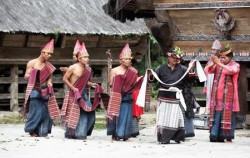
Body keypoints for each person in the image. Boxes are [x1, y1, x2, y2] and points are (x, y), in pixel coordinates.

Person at [148, 46, 196, 144]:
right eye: (173, 57)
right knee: (163, 119)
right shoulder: (160, 68)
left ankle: (177, 138)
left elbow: (190, 81)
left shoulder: (183, 69)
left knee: (177, 118)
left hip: (177, 97)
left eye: (177, 58)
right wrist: (151, 74)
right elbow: (152, 80)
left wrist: (190, 70)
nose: (175, 59)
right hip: (164, 97)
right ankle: (163, 138)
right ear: (168, 57)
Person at [60, 43, 102, 140]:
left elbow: (85, 81)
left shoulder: (88, 69)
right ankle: (78, 134)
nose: (87, 59)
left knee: (90, 111)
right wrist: (73, 88)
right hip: (74, 94)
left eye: (87, 57)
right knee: (79, 113)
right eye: (84, 57)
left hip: (83, 94)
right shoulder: (72, 68)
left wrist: (91, 84)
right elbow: (64, 79)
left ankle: (83, 132)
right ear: (79, 59)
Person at [20, 39, 60, 137]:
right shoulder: (32, 63)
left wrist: (50, 83)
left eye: (51, 54)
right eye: (48, 53)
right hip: (34, 89)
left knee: (46, 111)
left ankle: (43, 130)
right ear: (42, 53)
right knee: (35, 110)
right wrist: (33, 74)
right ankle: (31, 129)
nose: (50, 56)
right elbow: (26, 76)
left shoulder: (49, 66)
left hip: (45, 89)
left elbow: (50, 78)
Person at [107, 43, 143, 141]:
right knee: (116, 115)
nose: (128, 61)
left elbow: (135, 85)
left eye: (129, 59)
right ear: (120, 60)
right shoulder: (114, 70)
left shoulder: (134, 71)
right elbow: (110, 83)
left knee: (127, 115)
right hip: (117, 96)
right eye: (125, 59)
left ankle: (125, 134)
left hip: (128, 96)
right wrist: (118, 82)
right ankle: (117, 133)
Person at [207, 45, 240, 143]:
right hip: (217, 96)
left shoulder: (235, 65)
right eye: (221, 57)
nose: (222, 59)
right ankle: (214, 135)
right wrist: (213, 63)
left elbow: (232, 71)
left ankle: (228, 136)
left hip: (229, 97)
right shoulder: (218, 64)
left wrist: (218, 63)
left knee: (229, 115)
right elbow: (208, 71)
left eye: (224, 57)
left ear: (230, 57)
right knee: (217, 114)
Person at [203, 39, 222, 115]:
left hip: (217, 81)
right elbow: (205, 71)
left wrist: (214, 64)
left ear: (218, 51)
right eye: (211, 49)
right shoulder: (210, 61)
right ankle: (208, 110)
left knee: (217, 98)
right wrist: (210, 65)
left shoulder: (221, 60)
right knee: (209, 97)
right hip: (210, 80)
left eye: (214, 49)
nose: (212, 51)